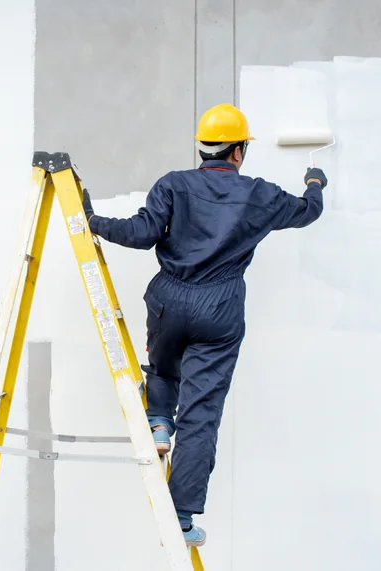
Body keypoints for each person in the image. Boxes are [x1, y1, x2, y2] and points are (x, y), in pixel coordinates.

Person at [79, 103, 327, 547]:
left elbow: (140, 233)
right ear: (238, 152)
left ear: (203, 148)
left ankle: (157, 422)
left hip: (169, 299)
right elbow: (309, 211)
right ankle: (182, 518)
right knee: (201, 416)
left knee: (164, 364)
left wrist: (93, 221)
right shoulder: (259, 193)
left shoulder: (174, 184)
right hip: (220, 307)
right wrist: (315, 182)